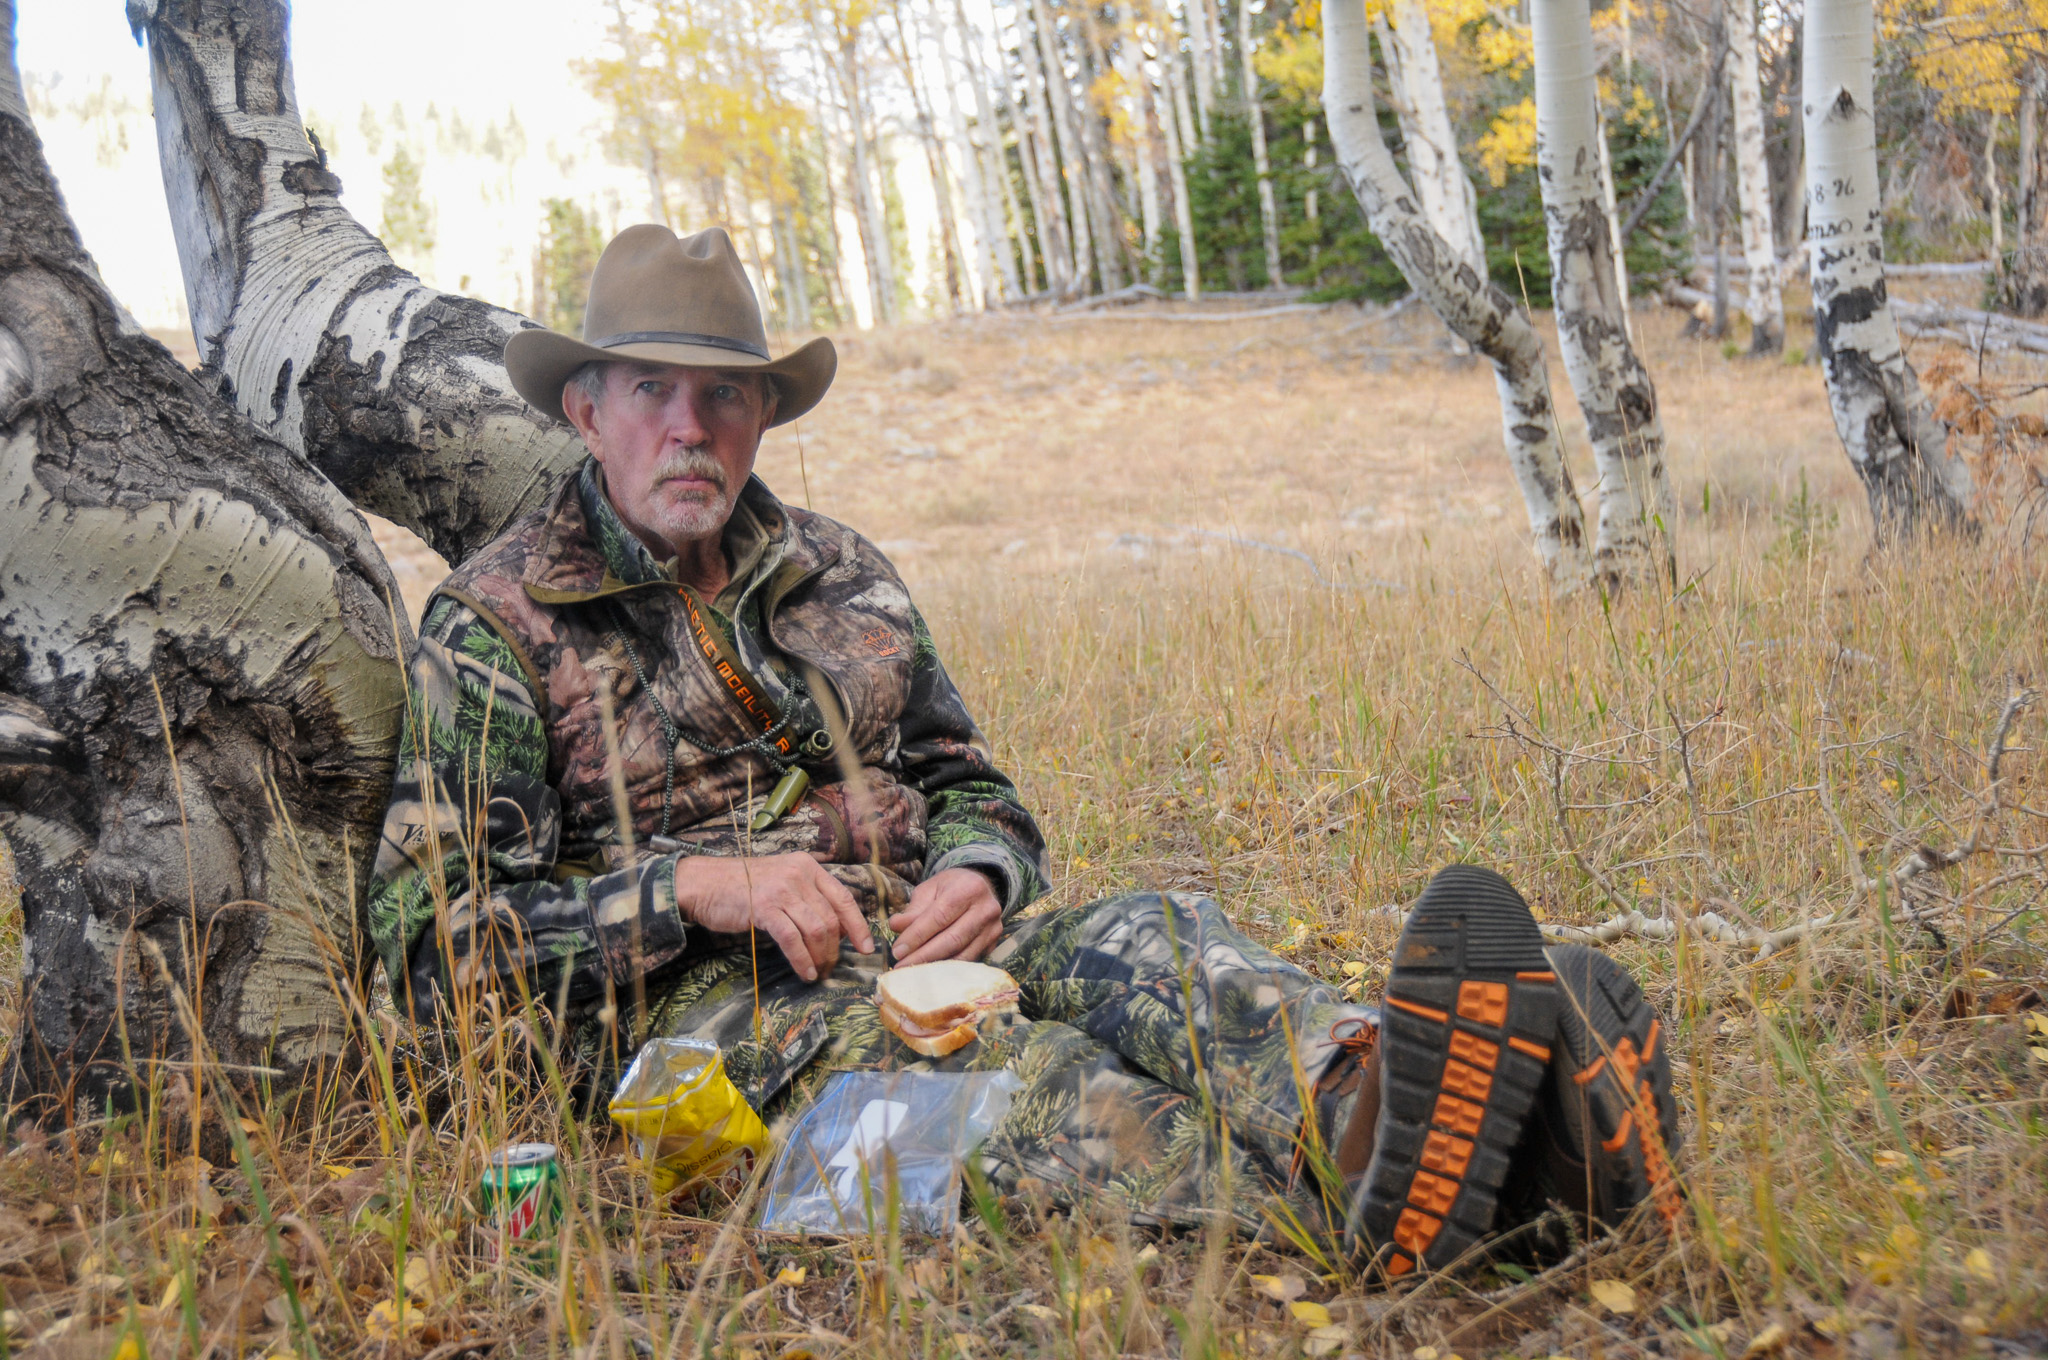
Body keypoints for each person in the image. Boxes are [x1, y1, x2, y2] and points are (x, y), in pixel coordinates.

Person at [365, 224, 1680, 1272]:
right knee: (1002, 1081)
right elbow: (428, 956)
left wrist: (985, 871)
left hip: (934, 941)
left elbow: (967, 782)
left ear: (766, 415)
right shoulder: (495, 623)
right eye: (651, 391)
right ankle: (1481, 1189)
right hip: (700, 1021)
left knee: (1152, 937)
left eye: (724, 396)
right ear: (586, 411)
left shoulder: (843, 573)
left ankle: (1372, 1097)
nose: (688, 429)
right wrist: (702, 888)